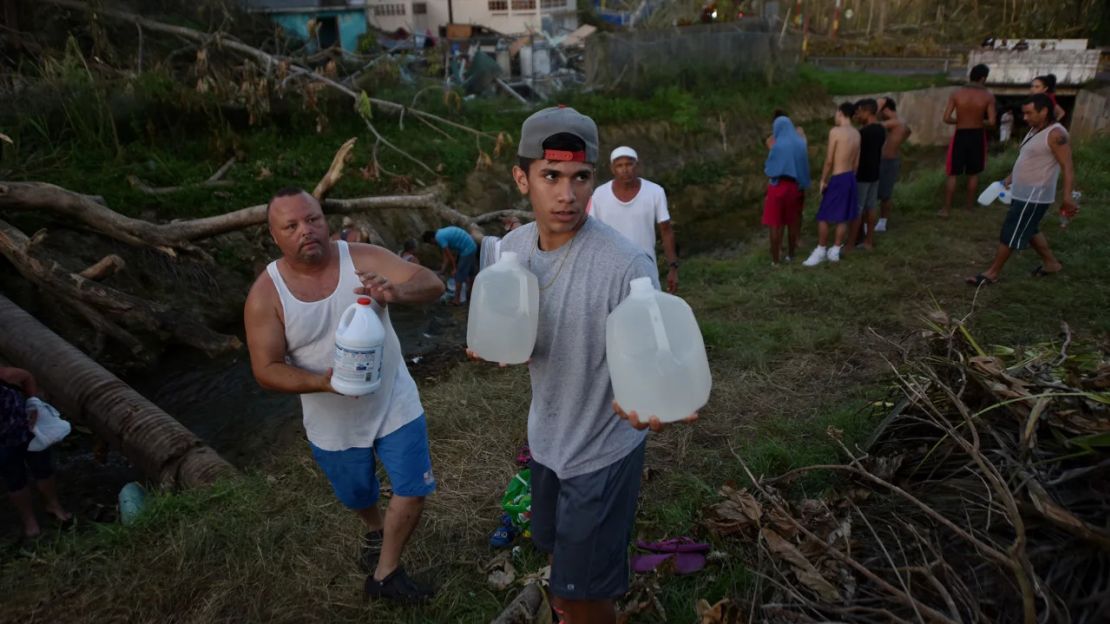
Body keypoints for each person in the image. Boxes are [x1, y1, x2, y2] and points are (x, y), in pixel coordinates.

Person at [473, 106, 697, 624]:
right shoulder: (511, 251)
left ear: (593, 179)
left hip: (603, 450)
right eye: (550, 176)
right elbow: (517, 338)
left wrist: (653, 396)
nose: (566, 195)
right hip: (547, 441)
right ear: (521, 177)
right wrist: (495, 341)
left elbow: (655, 354)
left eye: (579, 178)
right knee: (555, 554)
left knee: (584, 596)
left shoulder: (626, 264)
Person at [244, 188, 444, 602]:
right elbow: (266, 370)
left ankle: (386, 574)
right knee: (356, 493)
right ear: (274, 235)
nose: (307, 231)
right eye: (292, 226)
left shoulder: (362, 258)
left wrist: (396, 292)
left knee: (413, 486)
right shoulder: (267, 294)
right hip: (331, 419)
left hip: (394, 402)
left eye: (313, 219)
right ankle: (374, 530)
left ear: (325, 219)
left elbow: (432, 282)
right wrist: (322, 382)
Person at [966, 94, 1076, 286]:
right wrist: (1009, 179)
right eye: (1024, 113)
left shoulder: (1056, 134)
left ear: (1044, 111)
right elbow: (1026, 159)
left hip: (1035, 194)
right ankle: (1051, 264)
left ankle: (992, 273)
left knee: (1011, 229)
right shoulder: (1035, 130)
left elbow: (1067, 167)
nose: (1024, 117)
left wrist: (1067, 197)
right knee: (1030, 228)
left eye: (1029, 113)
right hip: (1022, 190)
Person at [589, 146, 680, 293]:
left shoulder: (655, 192)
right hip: (610, 270)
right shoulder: (599, 195)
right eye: (619, 165)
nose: (625, 170)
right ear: (612, 168)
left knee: (648, 311)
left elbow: (666, 230)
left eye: (629, 164)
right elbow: (592, 234)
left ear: (637, 165)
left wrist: (673, 267)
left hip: (644, 267)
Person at [1, 366, 72, 540]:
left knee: (43, 469)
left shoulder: (4, 376)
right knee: (15, 480)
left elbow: (26, 376)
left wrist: (33, 401)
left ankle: (53, 505)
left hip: (26, 430)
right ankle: (29, 520)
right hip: (2, 443)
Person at [803, 101, 860, 267]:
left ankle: (820, 250)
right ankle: (835, 250)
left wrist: (823, 179)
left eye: (836, 113)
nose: (835, 116)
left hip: (838, 176)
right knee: (842, 217)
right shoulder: (857, 134)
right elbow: (857, 162)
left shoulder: (835, 131)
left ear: (841, 113)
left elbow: (829, 160)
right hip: (850, 177)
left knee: (823, 216)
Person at [941, 63, 997, 217]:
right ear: (983, 78)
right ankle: (969, 208)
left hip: (960, 134)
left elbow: (946, 118)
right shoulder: (988, 96)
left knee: (953, 173)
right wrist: (978, 121)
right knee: (974, 173)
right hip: (977, 136)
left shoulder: (957, 93)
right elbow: (992, 122)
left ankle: (946, 209)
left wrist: (960, 121)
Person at [762, 114, 810, 265]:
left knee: (774, 224)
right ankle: (791, 255)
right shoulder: (800, 144)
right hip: (794, 187)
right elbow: (804, 168)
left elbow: (770, 169)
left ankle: (775, 261)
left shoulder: (777, 146)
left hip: (777, 186)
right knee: (792, 221)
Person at [847, 98, 885, 250]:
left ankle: (850, 244)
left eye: (858, 113)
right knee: (871, 208)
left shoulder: (862, 133)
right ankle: (868, 240)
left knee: (857, 209)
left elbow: (855, 155)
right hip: (875, 173)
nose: (857, 117)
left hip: (861, 174)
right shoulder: (881, 129)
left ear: (866, 110)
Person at [875, 97, 912, 233]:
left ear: (886, 109)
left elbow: (874, 126)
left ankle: (881, 222)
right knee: (883, 193)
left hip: (887, 161)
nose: (876, 111)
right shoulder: (899, 123)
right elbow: (908, 131)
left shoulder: (895, 122)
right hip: (888, 160)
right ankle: (881, 221)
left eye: (878, 108)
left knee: (884, 194)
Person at [422, 225, 477, 306]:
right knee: (470, 273)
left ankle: (456, 300)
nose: (433, 245)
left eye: (431, 243)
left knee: (459, 276)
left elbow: (450, 256)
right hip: (472, 245)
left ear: (431, 239)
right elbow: (446, 257)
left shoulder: (439, 238)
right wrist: (442, 271)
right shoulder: (440, 233)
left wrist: (454, 268)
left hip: (466, 250)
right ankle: (470, 294)